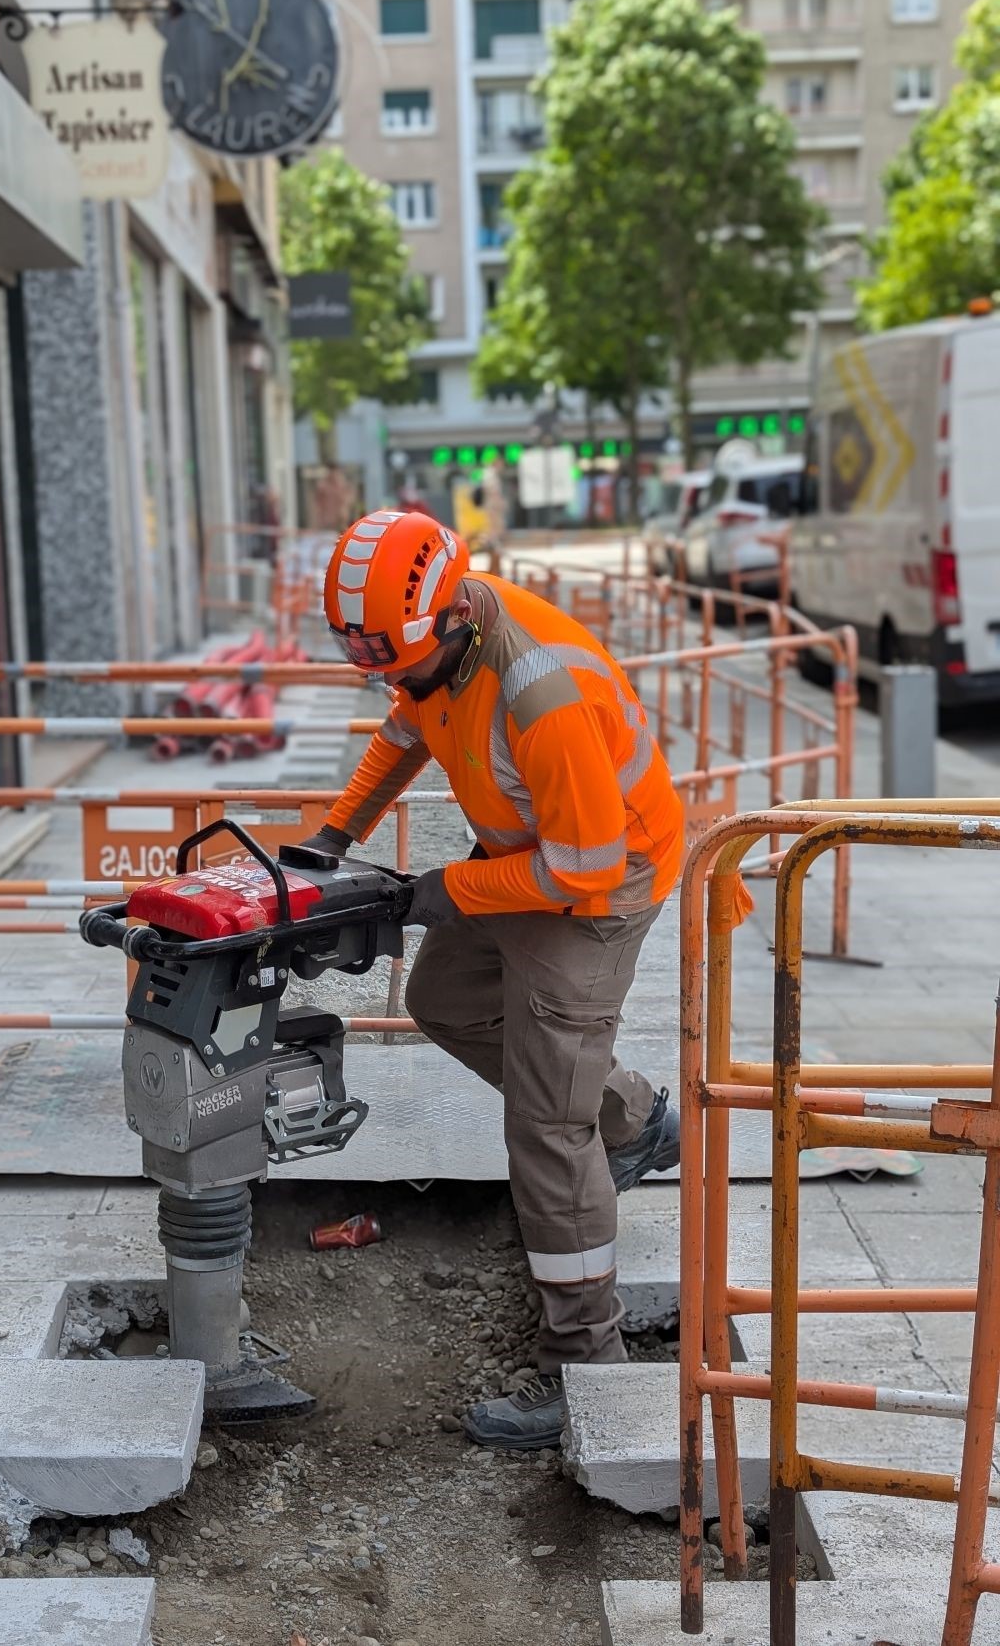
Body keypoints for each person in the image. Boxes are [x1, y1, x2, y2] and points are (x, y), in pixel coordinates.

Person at [301, 507, 684, 1450]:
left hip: (600, 882)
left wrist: (443, 889)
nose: (393, 678)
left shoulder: (536, 691)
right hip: (528, 853)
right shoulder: (434, 647)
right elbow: (407, 728)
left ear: (456, 622)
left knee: (548, 1129)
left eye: (399, 660)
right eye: (375, 664)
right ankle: (632, 1120)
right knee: (443, 999)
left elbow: (582, 867)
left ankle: (583, 1364)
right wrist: (335, 834)